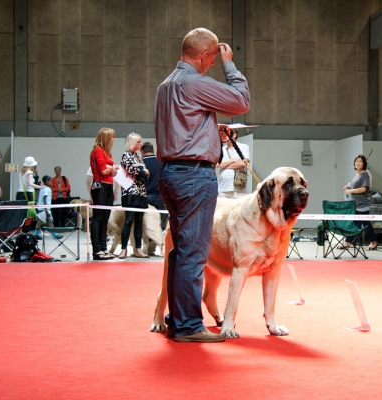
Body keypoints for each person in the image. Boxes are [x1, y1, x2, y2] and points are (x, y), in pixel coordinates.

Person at [154, 27, 250, 343]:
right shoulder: (195, 82)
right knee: (194, 255)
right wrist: (230, 65)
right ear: (205, 55)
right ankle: (188, 326)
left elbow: (182, 126)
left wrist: (208, 128)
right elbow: (241, 101)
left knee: (180, 253)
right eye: (211, 60)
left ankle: (177, 320)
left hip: (170, 173)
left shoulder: (165, 86)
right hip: (194, 176)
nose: (211, 65)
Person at [90, 127, 120, 261]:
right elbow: (103, 170)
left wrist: (111, 169)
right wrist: (111, 169)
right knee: (98, 218)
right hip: (100, 186)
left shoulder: (108, 153)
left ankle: (103, 247)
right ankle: (97, 249)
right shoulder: (98, 150)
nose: (113, 139)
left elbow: (111, 171)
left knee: (105, 219)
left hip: (108, 187)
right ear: (106, 138)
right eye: (112, 137)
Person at [118, 133, 149, 260]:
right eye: (138, 142)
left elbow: (144, 175)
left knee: (139, 221)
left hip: (141, 192)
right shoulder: (126, 156)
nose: (140, 144)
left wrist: (143, 173)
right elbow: (134, 172)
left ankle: (138, 249)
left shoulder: (139, 157)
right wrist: (143, 173)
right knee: (128, 221)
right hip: (130, 192)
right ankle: (124, 249)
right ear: (132, 143)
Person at [341, 154, 379, 251]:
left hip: (362, 205)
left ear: (364, 164)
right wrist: (348, 187)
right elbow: (355, 186)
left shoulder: (364, 174)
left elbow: (363, 189)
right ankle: (349, 242)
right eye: (356, 161)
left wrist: (350, 191)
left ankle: (373, 242)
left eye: (360, 161)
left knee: (365, 224)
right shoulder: (356, 175)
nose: (358, 163)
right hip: (355, 205)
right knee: (353, 224)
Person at [216, 125, 250, 199]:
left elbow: (243, 163)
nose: (224, 136)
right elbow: (217, 164)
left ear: (234, 135)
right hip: (223, 189)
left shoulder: (243, 147)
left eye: (227, 133)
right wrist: (233, 160)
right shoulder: (221, 149)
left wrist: (224, 164)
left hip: (239, 189)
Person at [141, 142, 168, 231]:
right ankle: (159, 240)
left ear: (142, 152)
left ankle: (149, 240)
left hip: (145, 195)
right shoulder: (161, 162)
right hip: (160, 195)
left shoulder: (140, 163)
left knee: (147, 221)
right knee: (160, 221)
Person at [33, 175, 63, 240]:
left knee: (46, 221)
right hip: (44, 208)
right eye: (50, 181)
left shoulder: (44, 188)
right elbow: (45, 198)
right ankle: (53, 234)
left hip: (44, 208)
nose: (51, 183)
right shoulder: (46, 188)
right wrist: (46, 208)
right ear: (46, 181)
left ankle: (37, 233)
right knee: (45, 221)